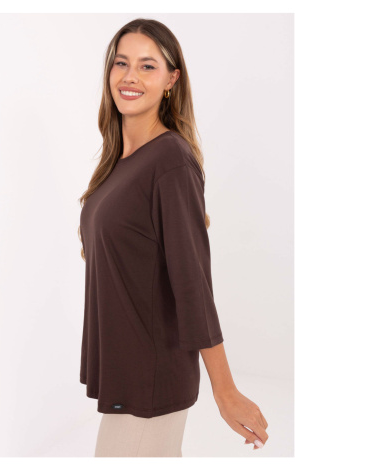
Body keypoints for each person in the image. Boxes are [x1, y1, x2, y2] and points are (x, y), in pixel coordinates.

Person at [77, 18, 269, 457]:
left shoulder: (171, 161)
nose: (130, 76)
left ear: (171, 80)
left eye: (147, 66)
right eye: (121, 63)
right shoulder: (118, 163)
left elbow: (192, 284)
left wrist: (225, 390)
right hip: (129, 374)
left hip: (151, 379)